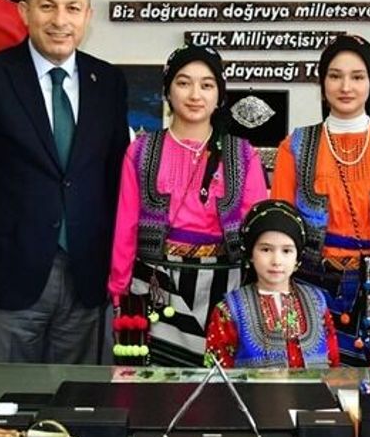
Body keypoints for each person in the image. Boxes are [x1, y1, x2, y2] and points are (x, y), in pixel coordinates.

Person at [0, 0, 129, 364]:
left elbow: (117, 182)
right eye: (47, 6)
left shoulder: (109, 83)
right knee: (1, 397)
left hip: (86, 279)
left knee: (76, 396)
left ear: (87, 16)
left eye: (72, 8)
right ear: (24, 12)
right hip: (6, 277)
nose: (60, 20)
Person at [108, 45, 268, 366]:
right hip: (154, 285)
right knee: (155, 384)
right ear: (167, 91)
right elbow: (125, 227)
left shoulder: (243, 154)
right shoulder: (141, 151)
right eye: (183, 83)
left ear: (220, 95)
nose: (195, 95)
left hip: (226, 287)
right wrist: (118, 290)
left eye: (207, 85)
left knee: (219, 384)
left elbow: (259, 232)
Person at [271, 34, 370, 367]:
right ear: (322, 83)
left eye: (357, 76)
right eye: (335, 76)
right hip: (313, 285)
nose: (345, 87)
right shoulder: (295, 146)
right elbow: (280, 234)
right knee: (315, 384)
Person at [205, 200, 339, 368]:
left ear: (297, 257)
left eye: (286, 251)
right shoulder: (229, 311)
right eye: (266, 249)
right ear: (251, 253)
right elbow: (216, 373)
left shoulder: (317, 302)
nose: (276, 261)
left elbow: (333, 365)